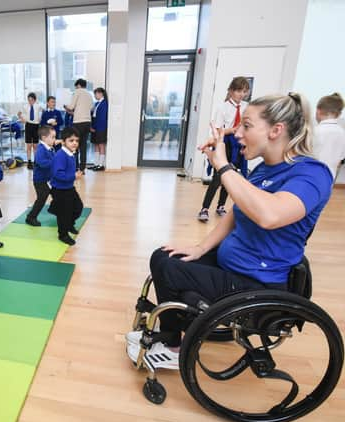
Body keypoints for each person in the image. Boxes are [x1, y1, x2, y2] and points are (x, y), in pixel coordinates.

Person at [126, 93, 333, 370]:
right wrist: (201, 248)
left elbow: (269, 215)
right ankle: (172, 332)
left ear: (276, 130)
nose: (237, 133)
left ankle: (174, 347)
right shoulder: (263, 169)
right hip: (233, 266)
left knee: (172, 272)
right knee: (163, 256)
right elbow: (237, 211)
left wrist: (224, 167)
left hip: (257, 283)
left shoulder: (311, 174)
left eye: (246, 125)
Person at [198, 77, 251, 222]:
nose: (242, 94)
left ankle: (221, 206)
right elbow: (217, 131)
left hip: (239, 144)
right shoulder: (222, 108)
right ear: (231, 91)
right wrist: (232, 130)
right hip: (225, 143)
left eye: (245, 91)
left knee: (231, 176)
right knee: (217, 178)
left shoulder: (247, 107)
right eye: (239, 91)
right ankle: (204, 208)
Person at [49, 127, 84, 246]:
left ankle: (69, 224)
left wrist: (74, 174)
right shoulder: (60, 155)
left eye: (76, 140)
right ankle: (62, 234)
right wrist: (73, 176)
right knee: (64, 213)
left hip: (68, 187)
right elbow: (58, 174)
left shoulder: (71, 154)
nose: (75, 143)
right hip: (59, 189)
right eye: (71, 140)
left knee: (78, 207)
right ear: (63, 142)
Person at [26, 125, 56, 227]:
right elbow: (41, 162)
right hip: (40, 180)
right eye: (52, 137)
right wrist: (55, 162)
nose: (54, 139)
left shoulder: (49, 148)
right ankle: (31, 217)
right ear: (44, 138)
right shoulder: (41, 149)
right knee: (42, 198)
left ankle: (56, 210)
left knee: (58, 194)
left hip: (48, 179)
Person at [64, 79, 93, 174]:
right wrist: (73, 112)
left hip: (78, 123)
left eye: (76, 86)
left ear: (79, 85)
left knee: (75, 144)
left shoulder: (77, 92)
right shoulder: (89, 94)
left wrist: (65, 106)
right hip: (87, 122)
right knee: (83, 145)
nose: (75, 88)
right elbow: (90, 108)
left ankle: (75, 168)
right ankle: (82, 169)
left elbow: (71, 106)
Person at [313, 92, 345, 180]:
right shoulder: (342, 133)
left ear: (318, 111)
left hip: (311, 177)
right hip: (329, 178)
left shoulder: (315, 131)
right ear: (338, 114)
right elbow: (339, 161)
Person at [19, 92, 43, 169]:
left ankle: (36, 161)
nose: (30, 101)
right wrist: (21, 117)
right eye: (29, 100)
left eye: (32, 100)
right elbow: (20, 114)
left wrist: (41, 118)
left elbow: (43, 111)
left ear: (35, 100)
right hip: (28, 125)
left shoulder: (38, 106)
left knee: (35, 146)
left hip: (36, 126)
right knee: (29, 145)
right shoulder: (25, 106)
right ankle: (29, 161)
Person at [89, 87, 109, 171]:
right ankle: (96, 163)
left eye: (96, 94)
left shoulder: (104, 103)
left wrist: (95, 128)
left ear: (101, 93)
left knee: (101, 145)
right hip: (95, 127)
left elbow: (102, 118)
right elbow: (94, 116)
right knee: (96, 145)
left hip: (100, 128)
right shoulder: (97, 103)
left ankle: (101, 165)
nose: (95, 96)